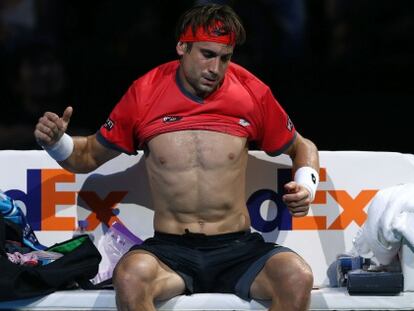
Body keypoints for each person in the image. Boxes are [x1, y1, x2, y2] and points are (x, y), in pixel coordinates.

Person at [34, 4, 319, 311]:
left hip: (237, 248)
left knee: (296, 277)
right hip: (171, 251)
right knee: (129, 277)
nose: (216, 69)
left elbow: (302, 147)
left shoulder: (251, 92)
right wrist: (56, 142)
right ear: (182, 47)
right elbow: (87, 156)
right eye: (207, 55)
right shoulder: (145, 93)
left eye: (225, 58)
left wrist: (306, 185)